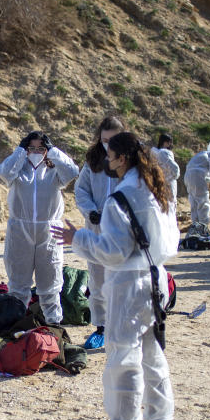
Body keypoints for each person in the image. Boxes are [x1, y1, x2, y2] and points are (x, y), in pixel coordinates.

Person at [52, 132, 178, 420]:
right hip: (157, 278)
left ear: (121, 158)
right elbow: (170, 240)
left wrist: (76, 238)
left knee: (123, 357)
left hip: (131, 283)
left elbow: (113, 251)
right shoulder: (156, 188)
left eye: (110, 155)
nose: (107, 161)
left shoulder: (120, 197)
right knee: (152, 354)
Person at [0, 131, 80, 326]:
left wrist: (53, 152)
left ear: (46, 150)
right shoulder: (18, 169)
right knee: (18, 285)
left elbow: (72, 171)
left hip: (49, 232)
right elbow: (3, 172)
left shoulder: (54, 172)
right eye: (31, 148)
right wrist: (19, 151)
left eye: (40, 148)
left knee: (50, 283)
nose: (36, 152)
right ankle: (15, 326)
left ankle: (54, 326)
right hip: (20, 230)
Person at [75, 117, 125, 350]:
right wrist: (91, 211)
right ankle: (101, 327)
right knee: (97, 279)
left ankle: (122, 327)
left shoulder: (129, 162)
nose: (108, 144)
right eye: (104, 140)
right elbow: (81, 189)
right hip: (95, 229)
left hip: (121, 231)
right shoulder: (92, 161)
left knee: (121, 279)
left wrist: (116, 214)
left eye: (113, 140)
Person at [150, 134, 180, 208]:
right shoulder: (163, 152)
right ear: (164, 142)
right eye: (169, 142)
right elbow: (175, 169)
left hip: (163, 181)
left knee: (166, 203)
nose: (170, 144)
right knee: (168, 203)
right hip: (166, 181)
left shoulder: (156, 152)